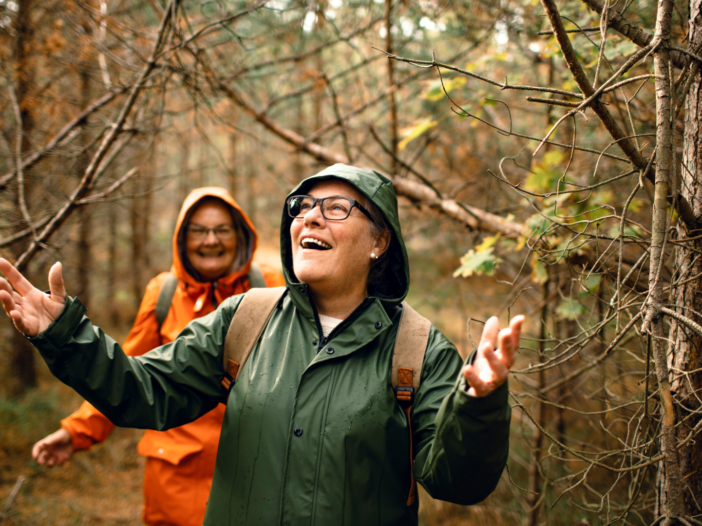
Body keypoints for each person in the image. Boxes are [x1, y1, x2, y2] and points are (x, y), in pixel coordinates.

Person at [0, 164, 524, 526]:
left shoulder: (418, 349)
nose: (310, 217)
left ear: (380, 241)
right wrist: (65, 333)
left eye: (337, 208)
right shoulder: (246, 318)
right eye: (303, 206)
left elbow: (458, 482)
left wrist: (478, 406)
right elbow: (143, 391)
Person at [29, 187, 284, 526]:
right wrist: (76, 432)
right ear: (181, 239)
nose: (211, 240)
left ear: (240, 236)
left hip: (253, 472)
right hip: (176, 476)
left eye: (223, 230)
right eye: (199, 231)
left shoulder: (269, 285)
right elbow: (129, 374)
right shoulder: (162, 293)